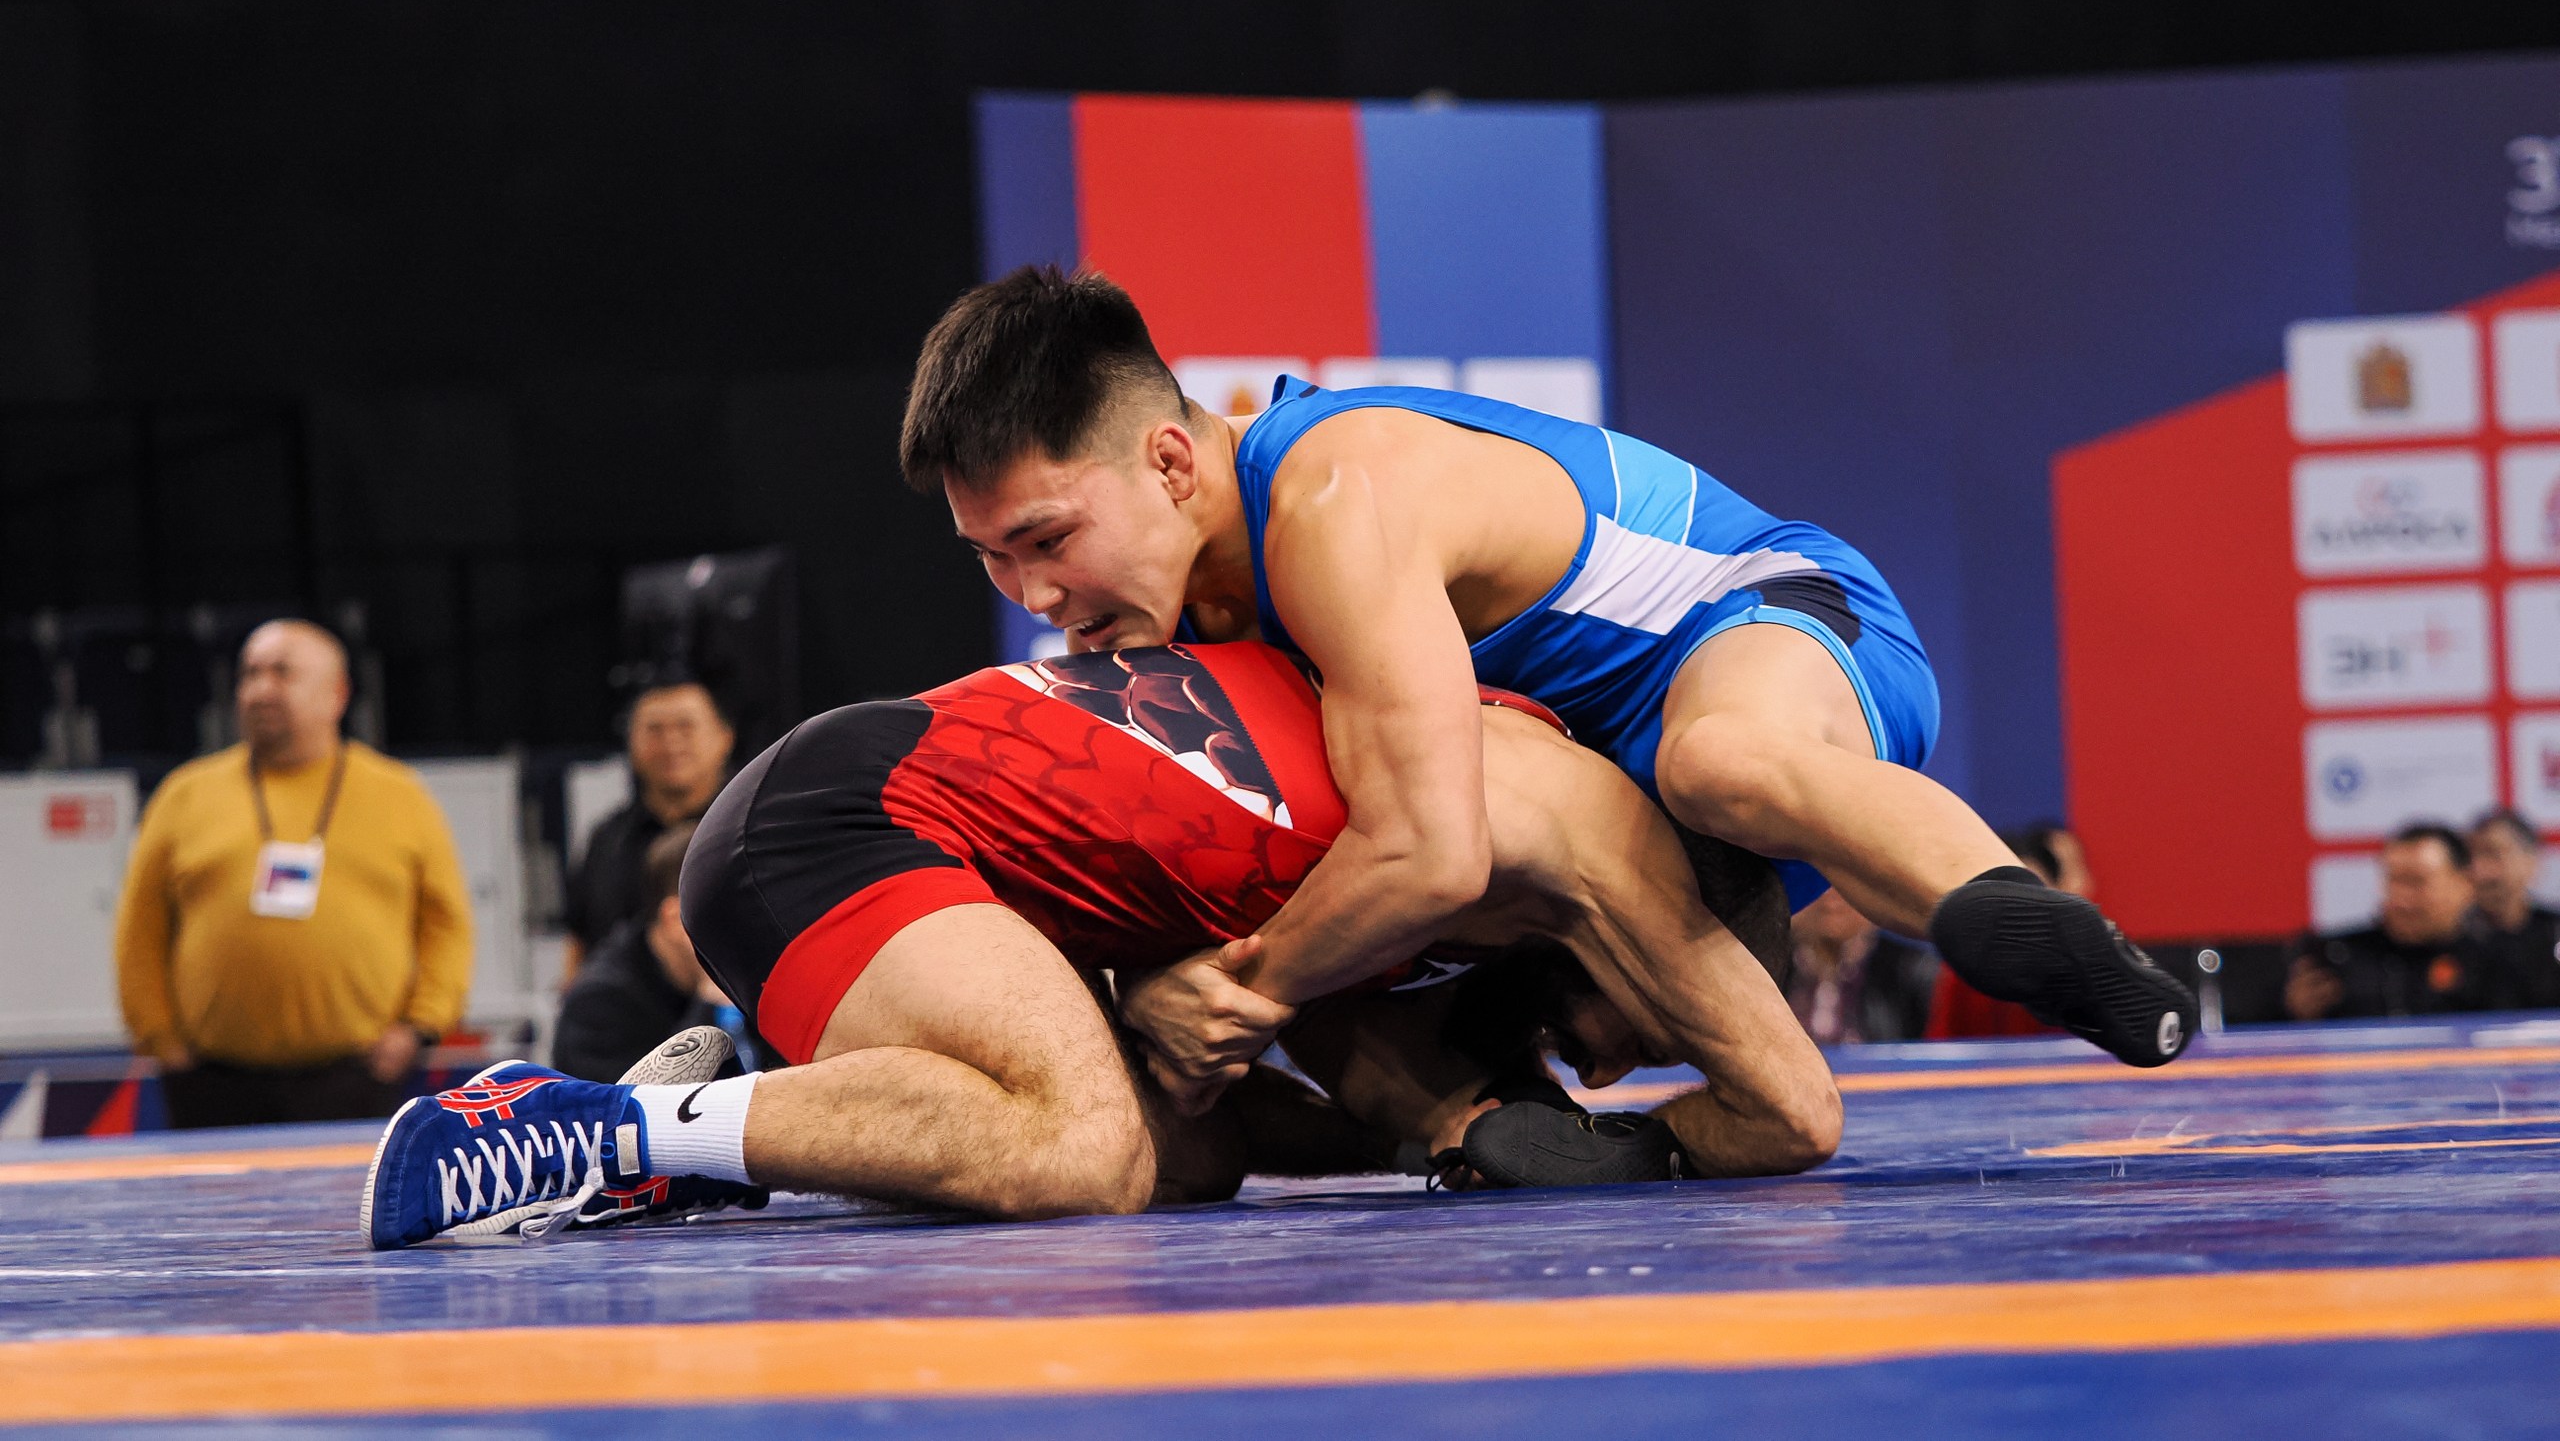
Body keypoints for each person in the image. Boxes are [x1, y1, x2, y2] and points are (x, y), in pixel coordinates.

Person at [894, 266, 2196, 1095]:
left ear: (1172, 464)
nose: (1033, 597)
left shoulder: (1333, 499)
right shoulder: (1153, 610)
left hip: (1777, 623)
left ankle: (2028, 925)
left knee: (1719, 759)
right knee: (1512, 975)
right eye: (992, 557)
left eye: (1048, 540)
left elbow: (1429, 851)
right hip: (1618, 792)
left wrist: (1236, 994)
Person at [363, 642, 1839, 1247]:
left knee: (1182, 1153)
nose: (1602, 1071)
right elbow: (1790, 1114)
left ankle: (706, 1131)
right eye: (1638, 1035)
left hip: (951, 871)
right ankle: (574, 1125)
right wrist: (1620, 1140)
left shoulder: (1426, 904)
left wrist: (1476, 1131)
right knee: (1086, 1143)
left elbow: (1366, 1107)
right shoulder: (1515, 816)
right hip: (845, 812)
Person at [114, 619, 473, 1128]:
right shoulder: (185, 795)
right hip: (210, 1082)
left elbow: (446, 925)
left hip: (357, 1077)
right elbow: (140, 929)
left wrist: (419, 1028)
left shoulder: (400, 796)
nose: (261, 690)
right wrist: (160, 1038)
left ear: (337, 694)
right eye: (250, 673)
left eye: (282, 673)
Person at [563, 680, 734, 971]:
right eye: (655, 730)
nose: (671, 743)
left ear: (724, 737)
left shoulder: (751, 830)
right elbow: (578, 941)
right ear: (631, 742)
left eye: (686, 727)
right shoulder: (607, 840)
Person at [551, 824, 729, 1082]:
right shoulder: (598, 1006)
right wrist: (707, 1008)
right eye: (731, 914)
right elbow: (634, 1102)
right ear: (676, 920)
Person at [2284, 823, 2495, 1021]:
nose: (2401, 900)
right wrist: (2294, 1015)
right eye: (2393, 881)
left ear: (2465, 884)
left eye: (2416, 882)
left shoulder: (2494, 961)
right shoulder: (2336, 959)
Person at [1922, 822, 2090, 1040]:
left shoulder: (2079, 971)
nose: (2021, 912)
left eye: (2032, 897)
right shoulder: (1963, 970)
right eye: (2009, 900)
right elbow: (1942, 1044)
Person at [1784, 890, 1935, 1045]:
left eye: (1842, 885)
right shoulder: (1775, 963)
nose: (1831, 896)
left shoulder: (1909, 968)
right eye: (1821, 883)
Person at [2465, 809, 2560, 1009]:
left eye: (2493, 854)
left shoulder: (2554, 933)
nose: (2478, 870)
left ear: (2531, 862)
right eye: (2469, 857)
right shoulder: (2451, 940)